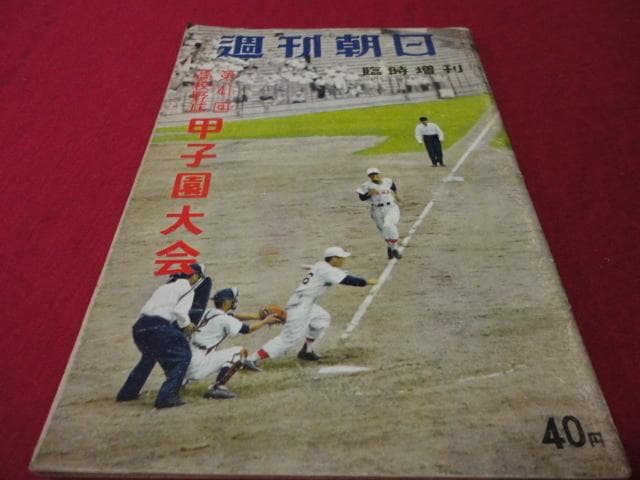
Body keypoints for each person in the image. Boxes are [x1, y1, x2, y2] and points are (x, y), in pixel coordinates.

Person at [246, 247, 377, 367]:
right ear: (333, 259)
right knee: (288, 339)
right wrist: (365, 282)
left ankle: (306, 351)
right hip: (299, 307)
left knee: (322, 319)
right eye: (341, 258)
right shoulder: (326, 270)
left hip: (306, 304)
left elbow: (332, 274)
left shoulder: (321, 265)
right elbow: (347, 280)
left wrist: (340, 272)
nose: (343, 260)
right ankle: (252, 359)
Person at [116, 263, 206, 409]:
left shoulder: (164, 287)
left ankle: (127, 393)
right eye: (199, 276)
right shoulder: (188, 289)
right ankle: (167, 397)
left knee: (149, 357)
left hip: (140, 327)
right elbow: (179, 312)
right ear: (194, 275)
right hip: (159, 326)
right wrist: (187, 325)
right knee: (183, 356)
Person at [184, 287, 282, 399]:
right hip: (198, 364)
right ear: (226, 302)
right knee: (240, 352)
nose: (235, 301)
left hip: (186, 360)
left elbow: (232, 316)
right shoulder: (225, 319)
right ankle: (217, 387)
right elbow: (248, 329)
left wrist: (256, 316)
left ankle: (182, 381)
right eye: (233, 299)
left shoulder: (208, 311)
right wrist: (265, 321)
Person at [356, 167, 403, 260]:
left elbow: (393, 187)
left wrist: (397, 195)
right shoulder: (366, 186)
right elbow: (361, 198)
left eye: (376, 174)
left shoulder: (388, 181)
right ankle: (390, 247)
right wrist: (369, 194)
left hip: (391, 208)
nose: (374, 176)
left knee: (389, 225)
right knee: (384, 231)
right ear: (369, 176)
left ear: (379, 174)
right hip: (376, 210)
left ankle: (395, 249)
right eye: (372, 175)